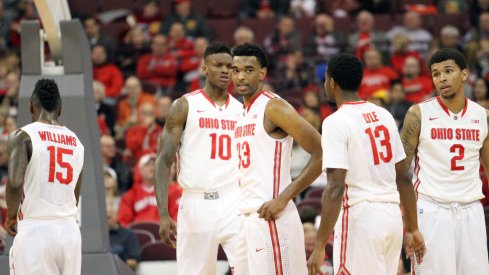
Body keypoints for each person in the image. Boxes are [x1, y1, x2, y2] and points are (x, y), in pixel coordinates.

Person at [306, 53, 426, 275]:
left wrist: (320, 245)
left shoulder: (334, 122)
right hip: (392, 218)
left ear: (331, 83)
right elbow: (404, 177)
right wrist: (412, 227)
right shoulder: (384, 115)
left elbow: (335, 187)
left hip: (361, 218)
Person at [231, 43, 322, 274]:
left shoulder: (274, 107)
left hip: (271, 218)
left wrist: (283, 198)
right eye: (235, 70)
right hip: (245, 219)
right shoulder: (240, 113)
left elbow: (322, 152)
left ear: (262, 73)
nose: (240, 76)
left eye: (248, 70)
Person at [154, 43, 242, 274]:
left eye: (230, 67)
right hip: (195, 202)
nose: (225, 71)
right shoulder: (184, 105)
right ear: (204, 68)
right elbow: (164, 161)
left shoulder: (243, 111)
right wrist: (163, 213)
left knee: (250, 267)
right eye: (218, 65)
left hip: (234, 199)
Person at [401, 48, 489, 274]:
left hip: (471, 210)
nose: (442, 78)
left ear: (464, 74)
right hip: (431, 209)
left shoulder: (482, 116)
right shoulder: (418, 114)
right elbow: (399, 172)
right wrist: (409, 224)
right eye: (436, 73)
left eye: (448, 71)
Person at [5, 79, 84, 275]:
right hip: (70, 232)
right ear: (60, 108)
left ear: (31, 105)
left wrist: (10, 216)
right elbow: (76, 193)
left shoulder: (23, 136)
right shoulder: (76, 141)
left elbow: (15, 183)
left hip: (36, 230)